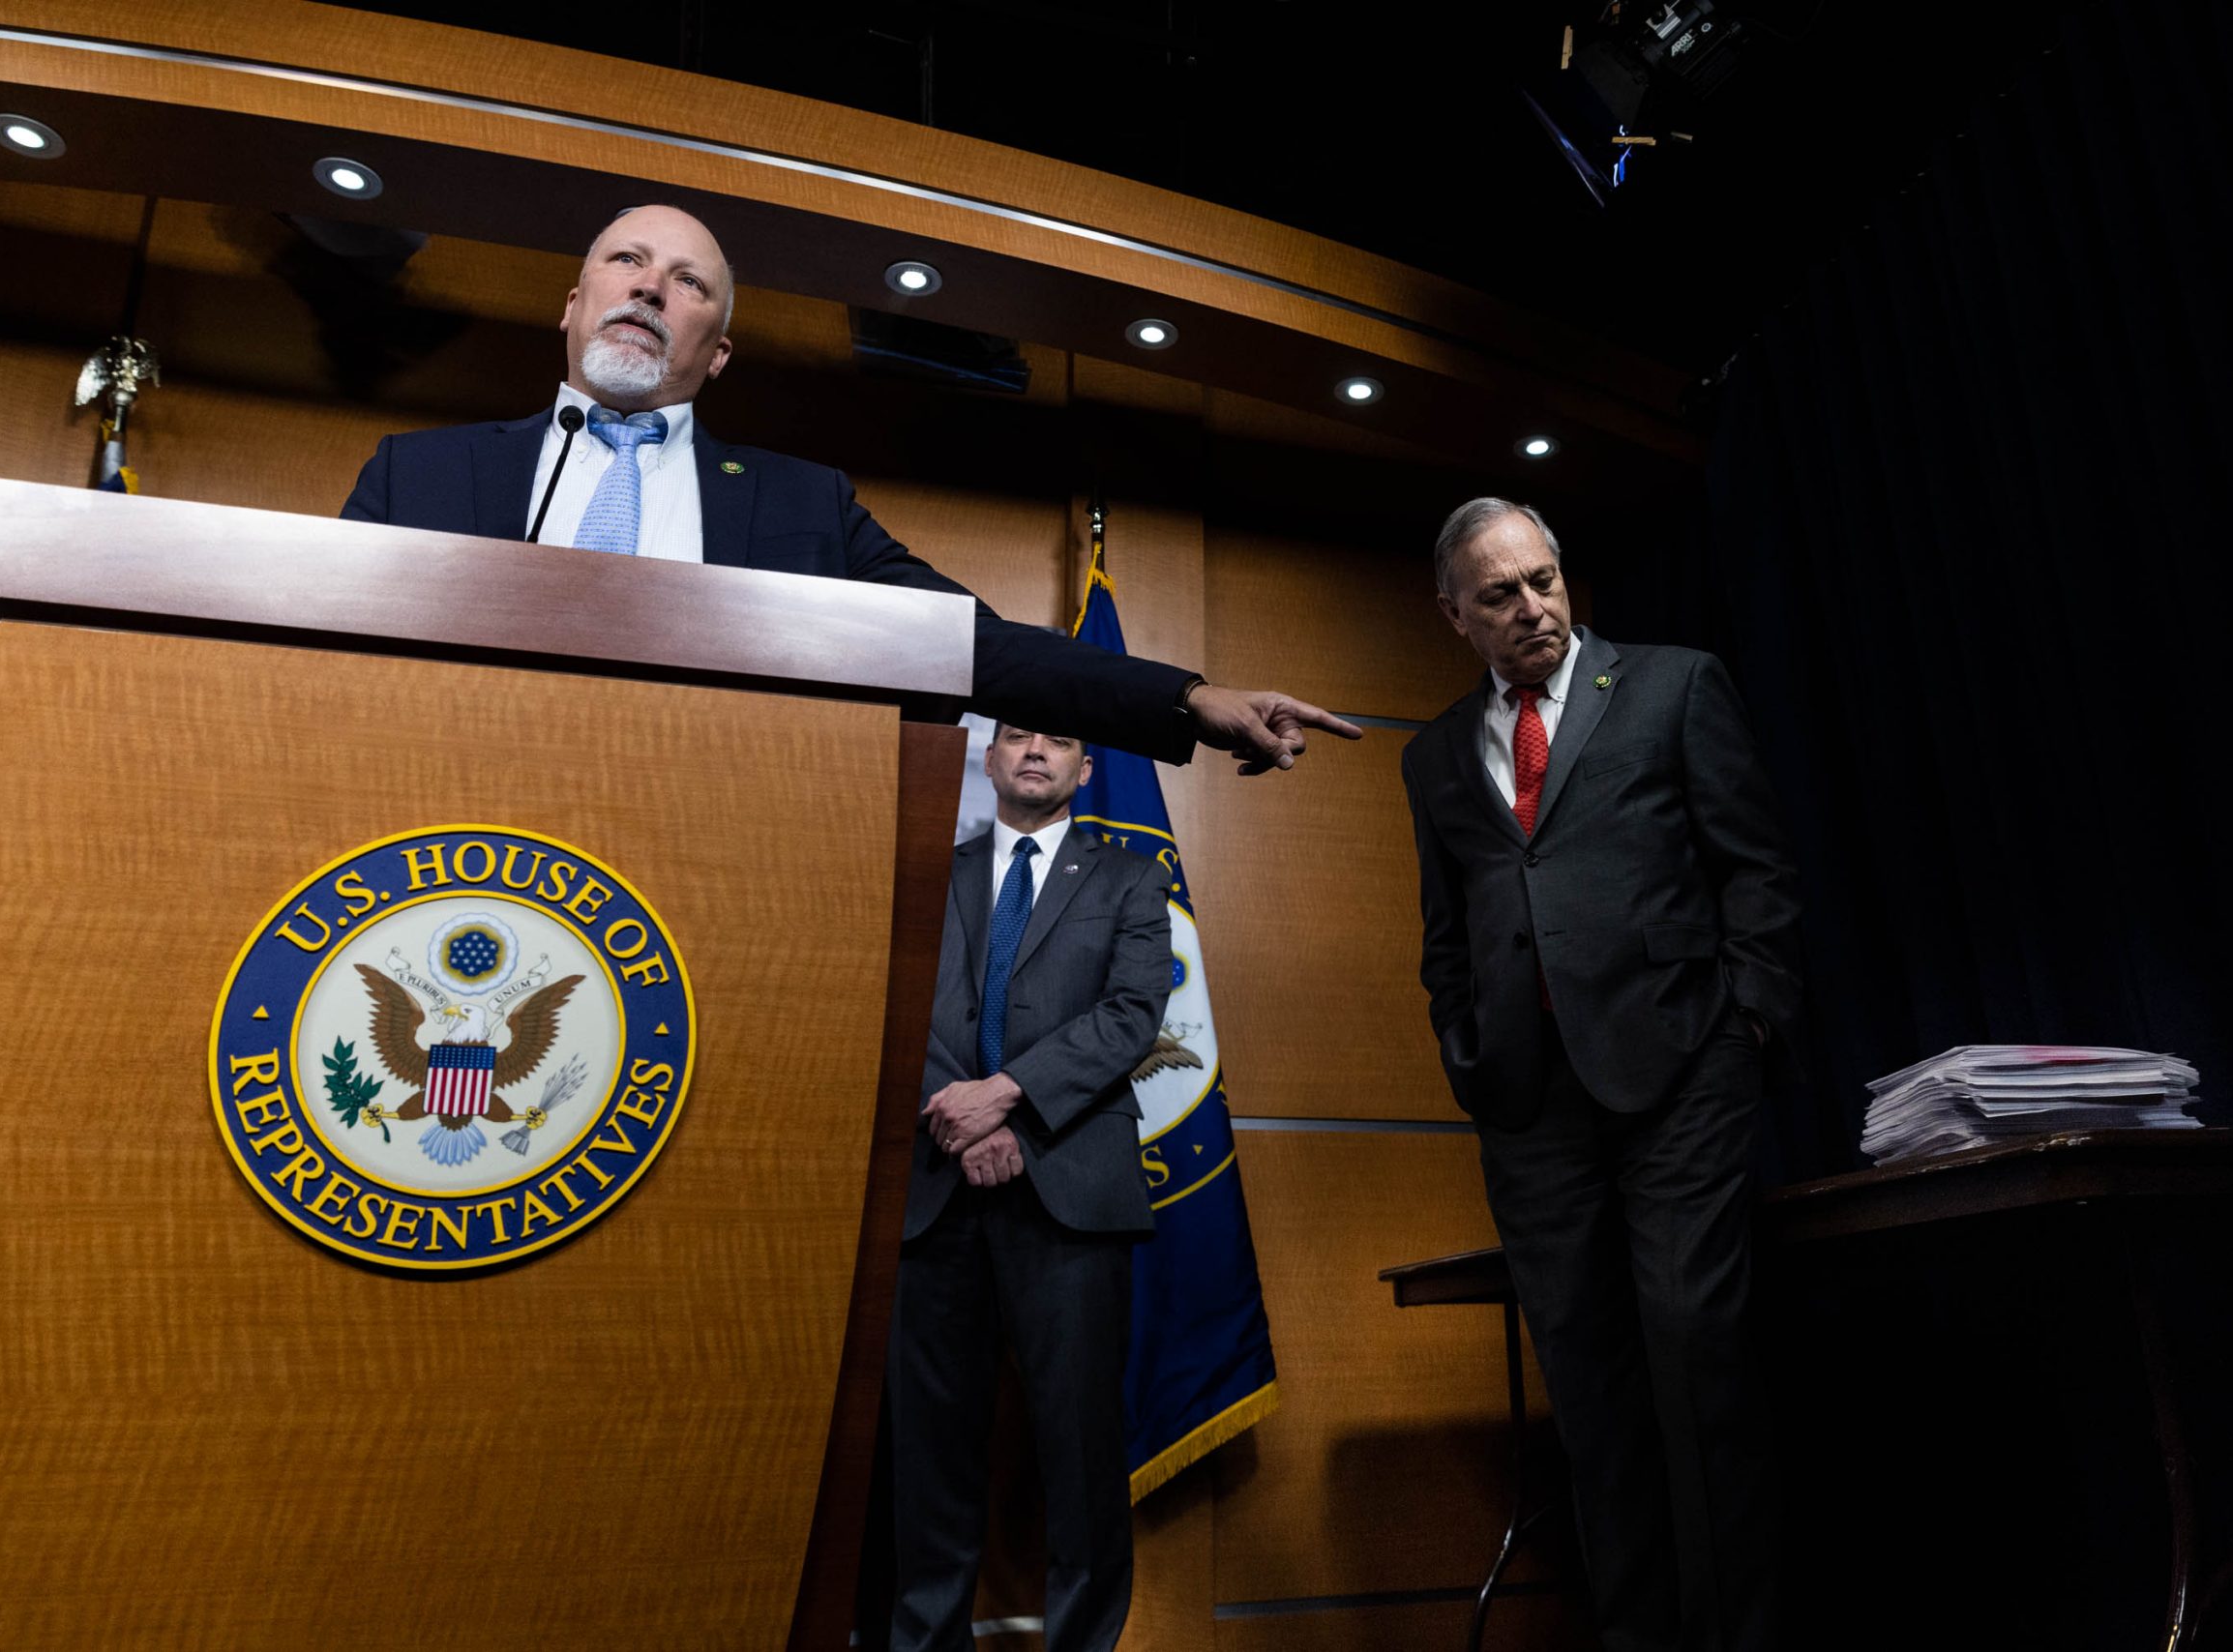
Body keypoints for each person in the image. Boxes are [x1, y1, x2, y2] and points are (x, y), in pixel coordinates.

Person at [339, 203, 1355, 773]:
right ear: (574, 306)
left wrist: (1186, 698)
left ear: (720, 350)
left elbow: (979, 647)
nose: (652, 286)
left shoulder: (798, 507)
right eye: (627, 261)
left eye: (689, 282)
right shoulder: (419, 474)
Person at [1400, 498, 1802, 1652]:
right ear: (1453, 616)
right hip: (1530, 1109)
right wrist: (1465, 1051)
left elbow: (1756, 873)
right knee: (1588, 1392)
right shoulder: (1433, 756)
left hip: (1680, 1076)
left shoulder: (1675, 686)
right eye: (1499, 595)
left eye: (1544, 580)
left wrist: (1747, 1031)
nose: (1531, 608)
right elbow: (1446, 934)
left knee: (1693, 1356)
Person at [889, 723, 1171, 1652]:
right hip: (936, 1189)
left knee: (1081, 1455)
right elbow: (894, 1001)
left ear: (1087, 770)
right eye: (1017, 736)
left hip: (1073, 1191)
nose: (1037, 750)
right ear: (990, 759)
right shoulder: (931, 866)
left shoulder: (1130, 877)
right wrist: (958, 1115)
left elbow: (1132, 1015)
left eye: (1059, 742)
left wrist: (1006, 1099)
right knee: (929, 1454)